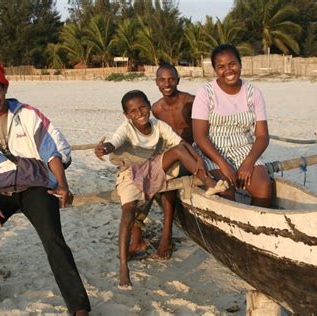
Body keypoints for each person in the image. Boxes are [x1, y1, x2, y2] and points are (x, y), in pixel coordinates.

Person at [0, 62, 90, 315]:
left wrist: (62, 184)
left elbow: (50, 150)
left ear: (4, 88)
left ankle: (79, 307)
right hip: (0, 189)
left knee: (53, 240)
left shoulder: (27, 114)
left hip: (36, 185)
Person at [94, 90, 228, 290]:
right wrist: (104, 149)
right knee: (128, 213)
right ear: (127, 115)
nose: (139, 113)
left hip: (154, 166)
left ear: (149, 105)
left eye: (142, 107)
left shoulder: (159, 125)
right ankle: (123, 267)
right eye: (133, 111)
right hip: (130, 171)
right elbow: (114, 142)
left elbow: (180, 144)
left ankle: (208, 184)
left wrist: (198, 159)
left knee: (180, 151)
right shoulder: (126, 128)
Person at [128, 63, 195, 260]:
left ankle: (166, 235)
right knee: (142, 178)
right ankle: (138, 235)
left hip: (189, 155)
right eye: (162, 80)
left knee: (164, 186)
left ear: (178, 80)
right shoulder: (155, 109)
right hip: (168, 155)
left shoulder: (190, 102)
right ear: (156, 83)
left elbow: (203, 131)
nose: (167, 84)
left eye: (171, 79)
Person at [192, 44, 272, 207]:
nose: (228, 70)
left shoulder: (253, 93)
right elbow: (200, 136)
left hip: (244, 149)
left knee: (264, 188)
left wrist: (248, 163)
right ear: (215, 70)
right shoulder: (205, 93)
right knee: (226, 190)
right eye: (221, 67)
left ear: (240, 64)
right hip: (212, 151)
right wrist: (222, 164)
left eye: (232, 64)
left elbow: (262, 136)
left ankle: (256, 224)